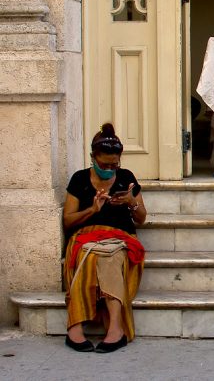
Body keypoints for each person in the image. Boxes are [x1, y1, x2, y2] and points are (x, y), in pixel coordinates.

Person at [62, 123, 147, 353]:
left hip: (119, 238)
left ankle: (115, 329)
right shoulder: (79, 179)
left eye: (114, 165)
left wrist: (132, 202)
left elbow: (141, 218)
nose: (109, 168)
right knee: (89, 255)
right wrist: (92, 210)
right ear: (92, 157)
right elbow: (68, 220)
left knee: (109, 257)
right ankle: (75, 327)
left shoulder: (126, 178)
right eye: (104, 164)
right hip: (85, 237)